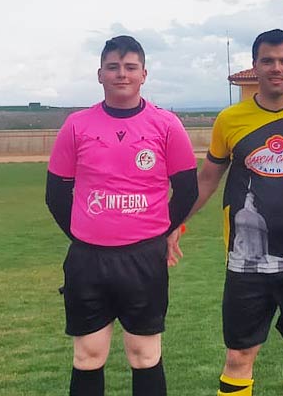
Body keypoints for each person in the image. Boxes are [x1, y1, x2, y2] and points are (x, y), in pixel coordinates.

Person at [177, 29, 283, 396]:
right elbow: (207, 180)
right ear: (255, 66)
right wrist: (174, 223)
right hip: (245, 264)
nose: (276, 68)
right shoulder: (230, 120)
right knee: (238, 356)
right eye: (267, 60)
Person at [45, 35, 199, 396]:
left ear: (144, 74)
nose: (121, 75)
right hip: (88, 259)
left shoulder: (166, 125)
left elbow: (187, 190)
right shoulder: (76, 125)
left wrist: (160, 231)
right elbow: (55, 195)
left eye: (130, 67)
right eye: (113, 67)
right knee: (88, 355)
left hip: (143, 258)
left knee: (144, 355)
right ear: (100, 74)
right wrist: (86, 233)